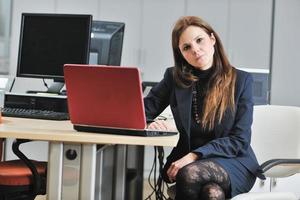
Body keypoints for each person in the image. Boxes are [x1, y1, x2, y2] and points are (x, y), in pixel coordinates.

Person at [144, 16, 259, 200]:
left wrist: (193, 156)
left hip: (234, 161)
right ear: (181, 53)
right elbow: (143, 110)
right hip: (190, 162)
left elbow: (240, 139)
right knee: (212, 193)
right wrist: (150, 123)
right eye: (186, 47)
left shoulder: (241, 80)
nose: (196, 50)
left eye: (200, 40)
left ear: (212, 39)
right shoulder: (174, 78)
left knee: (189, 174)